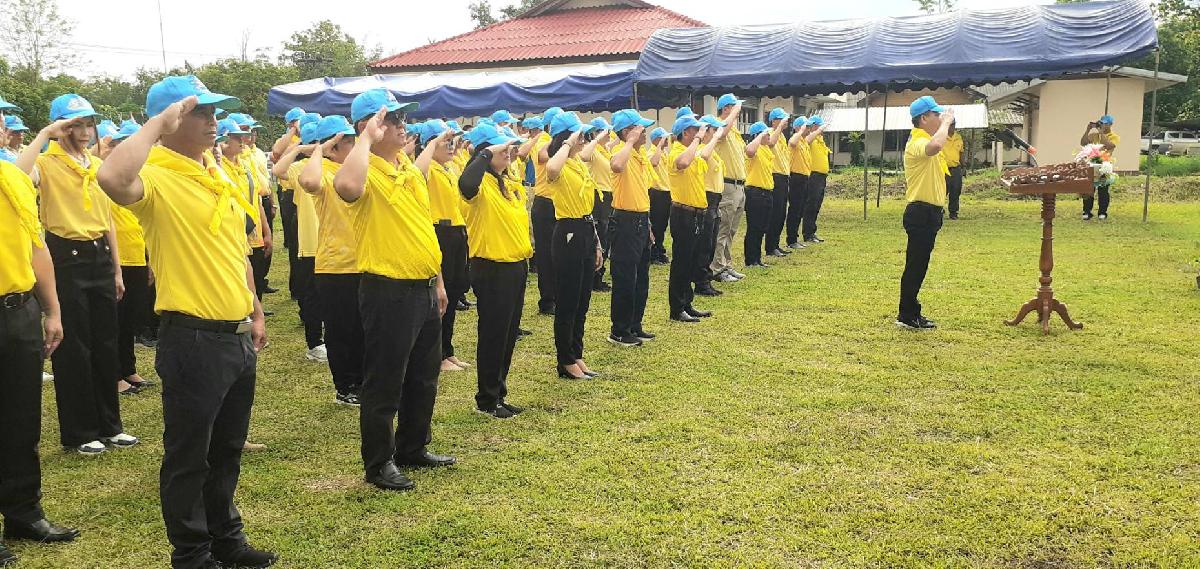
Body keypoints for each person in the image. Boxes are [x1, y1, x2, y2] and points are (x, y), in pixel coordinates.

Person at [96, 75, 276, 569]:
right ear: (171, 120)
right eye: (200, 112)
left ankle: (226, 539)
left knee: (227, 448)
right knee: (189, 455)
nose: (213, 121)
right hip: (193, 336)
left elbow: (234, 249)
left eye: (214, 111)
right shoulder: (156, 175)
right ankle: (193, 554)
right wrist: (157, 123)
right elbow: (111, 179)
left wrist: (255, 308)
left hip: (234, 332)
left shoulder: (212, 172)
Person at [332, 89, 455, 492]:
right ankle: (379, 461)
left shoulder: (406, 169)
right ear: (370, 125)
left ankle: (413, 446)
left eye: (402, 118)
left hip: (423, 286)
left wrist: (438, 281)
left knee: (423, 375)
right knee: (385, 381)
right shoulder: (364, 168)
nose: (403, 126)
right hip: (388, 290)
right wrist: (365, 139)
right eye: (393, 119)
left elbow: (422, 228)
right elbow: (345, 187)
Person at [14, 93, 138, 455]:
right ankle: (80, 431)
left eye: (88, 124)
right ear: (61, 128)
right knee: (74, 346)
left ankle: (110, 425)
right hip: (65, 256)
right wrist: (44, 134)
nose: (84, 132)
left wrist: (116, 268)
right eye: (75, 125)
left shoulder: (95, 164)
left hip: (99, 255)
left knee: (105, 342)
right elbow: (16, 175)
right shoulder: (46, 163)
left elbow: (107, 218)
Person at [0, 99, 79, 568]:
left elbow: (36, 246)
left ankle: (24, 512)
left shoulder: (11, 177)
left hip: (17, 310)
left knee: (21, 419)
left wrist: (52, 309)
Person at [458, 123, 533, 417]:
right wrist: (487, 154)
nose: (509, 153)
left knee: (508, 333)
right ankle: (487, 399)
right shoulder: (478, 184)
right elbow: (466, 184)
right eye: (503, 149)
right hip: (492, 267)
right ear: (485, 153)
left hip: (515, 265)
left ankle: (499, 392)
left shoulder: (505, 180)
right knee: (493, 334)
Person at [295, 115, 365, 406]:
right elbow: (308, 181)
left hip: (365, 261)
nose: (354, 147)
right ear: (333, 148)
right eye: (347, 143)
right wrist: (321, 149)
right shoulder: (324, 172)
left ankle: (362, 381)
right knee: (341, 331)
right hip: (336, 265)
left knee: (363, 329)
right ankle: (345, 387)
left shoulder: (357, 172)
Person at [545, 112, 603, 380]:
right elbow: (551, 169)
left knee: (582, 300)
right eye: (580, 135)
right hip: (568, 232)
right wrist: (568, 141)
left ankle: (576, 354)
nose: (583, 139)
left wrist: (596, 242)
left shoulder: (577, 162)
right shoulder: (559, 164)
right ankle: (565, 360)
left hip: (585, 228)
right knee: (568, 300)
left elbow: (586, 206)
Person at [415, 120, 472, 373]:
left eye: (452, 142)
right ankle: (436, 354)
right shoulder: (426, 168)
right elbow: (418, 172)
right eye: (445, 142)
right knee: (441, 295)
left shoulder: (448, 168)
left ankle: (447, 350)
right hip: (440, 231)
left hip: (456, 231)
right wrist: (431, 145)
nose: (451, 146)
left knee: (454, 290)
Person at [273, 113, 327, 362]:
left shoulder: (338, 167)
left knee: (334, 296)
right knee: (313, 296)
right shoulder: (300, 168)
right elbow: (278, 169)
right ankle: (315, 342)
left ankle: (331, 338)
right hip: (311, 242)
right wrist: (299, 149)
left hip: (335, 243)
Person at [897, 96, 954, 330]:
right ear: (924, 118)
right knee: (916, 266)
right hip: (921, 212)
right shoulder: (918, 142)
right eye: (936, 115)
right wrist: (946, 122)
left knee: (919, 265)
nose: (940, 118)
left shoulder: (926, 139)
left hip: (929, 212)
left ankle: (909, 312)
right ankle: (907, 314)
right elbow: (936, 147)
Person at [108, 120, 155, 396]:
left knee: (130, 319)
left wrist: (148, 260)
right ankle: (114, 374)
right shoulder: (108, 177)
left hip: (137, 254)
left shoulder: (142, 178)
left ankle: (128, 368)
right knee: (115, 320)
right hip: (118, 258)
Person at [606, 109, 656, 348]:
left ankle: (635, 324)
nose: (644, 132)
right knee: (625, 277)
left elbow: (642, 192)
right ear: (627, 131)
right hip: (624, 221)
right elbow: (616, 166)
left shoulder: (639, 154)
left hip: (640, 219)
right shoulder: (620, 151)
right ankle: (619, 330)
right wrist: (629, 141)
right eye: (639, 129)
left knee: (641, 277)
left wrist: (648, 224)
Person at [667, 114, 722, 323]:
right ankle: (677, 307)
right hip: (683, 213)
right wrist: (699, 139)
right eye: (695, 130)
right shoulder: (676, 152)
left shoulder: (693, 152)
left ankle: (687, 303)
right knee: (681, 262)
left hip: (697, 213)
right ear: (685, 132)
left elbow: (703, 156)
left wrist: (713, 137)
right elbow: (683, 162)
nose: (700, 133)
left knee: (691, 261)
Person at [529, 106, 563, 315]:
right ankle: (547, 299)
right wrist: (557, 138)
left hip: (559, 203)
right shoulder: (543, 141)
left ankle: (557, 294)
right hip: (545, 203)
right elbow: (542, 157)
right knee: (546, 254)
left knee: (558, 253)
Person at [710, 94, 747, 283]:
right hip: (727, 185)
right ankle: (717, 268)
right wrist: (733, 113)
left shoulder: (734, 131)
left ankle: (726, 264)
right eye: (735, 107)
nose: (739, 111)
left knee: (731, 229)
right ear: (726, 108)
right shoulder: (718, 126)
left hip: (739, 185)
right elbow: (721, 133)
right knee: (723, 228)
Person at [742, 121, 778, 268]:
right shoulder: (754, 148)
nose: (769, 135)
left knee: (762, 227)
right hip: (755, 193)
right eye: (766, 134)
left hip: (766, 192)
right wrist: (759, 135)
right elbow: (749, 150)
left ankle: (757, 258)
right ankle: (751, 259)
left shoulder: (765, 149)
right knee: (754, 227)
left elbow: (773, 141)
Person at [588, 117, 615, 293]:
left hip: (608, 194)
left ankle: (600, 273)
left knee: (606, 235)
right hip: (598, 196)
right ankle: (595, 277)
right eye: (605, 131)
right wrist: (596, 137)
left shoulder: (604, 150)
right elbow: (585, 155)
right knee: (600, 234)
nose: (608, 134)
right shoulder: (593, 150)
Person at [764, 107, 792, 258]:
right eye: (781, 119)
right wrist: (779, 127)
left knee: (782, 213)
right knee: (775, 213)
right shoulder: (770, 132)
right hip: (775, 176)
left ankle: (775, 244)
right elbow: (770, 143)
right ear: (774, 121)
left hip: (784, 176)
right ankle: (770, 246)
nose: (785, 122)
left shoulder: (782, 136)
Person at [1081, 114, 1118, 220]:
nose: (1102, 125)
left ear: (1110, 124)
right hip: (1091, 163)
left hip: (1104, 165)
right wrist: (1088, 130)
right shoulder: (1094, 136)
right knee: (1088, 189)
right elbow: (1083, 143)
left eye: (1105, 124)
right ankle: (1087, 211)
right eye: (1101, 123)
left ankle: (1102, 212)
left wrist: (1101, 133)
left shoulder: (1114, 136)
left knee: (1103, 189)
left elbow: (1109, 145)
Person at [804, 116, 831, 243]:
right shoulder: (810, 138)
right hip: (813, 176)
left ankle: (812, 231)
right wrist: (817, 131)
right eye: (820, 126)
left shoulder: (820, 140)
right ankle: (807, 233)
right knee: (811, 204)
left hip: (821, 177)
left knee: (817, 205)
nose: (822, 130)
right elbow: (807, 141)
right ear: (814, 126)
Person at [786, 116, 811, 249]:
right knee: (795, 209)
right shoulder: (795, 139)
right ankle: (791, 239)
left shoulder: (804, 142)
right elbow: (792, 142)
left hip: (804, 178)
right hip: (796, 177)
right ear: (798, 127)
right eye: (806, 127)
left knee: (800, 209)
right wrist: (800, 131)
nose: (808, 129)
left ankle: (795, 237)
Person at [647, 127, 672, 265]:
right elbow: (653, 163)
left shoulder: (664, 153)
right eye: (664, 138)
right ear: (657, 140)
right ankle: (653, 253)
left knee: (662, 225)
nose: (667, 140)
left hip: (666, 192)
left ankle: (660, 249)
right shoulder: (652, 152)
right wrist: (658, 146)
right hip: (657, 192)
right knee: (656, 224)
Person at [942, 119, 964, 220]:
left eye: (953, 124)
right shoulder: (941, 137)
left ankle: (953, 212)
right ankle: (939, 209)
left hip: (956, 168)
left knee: (956, 190)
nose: (952, 127)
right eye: (950, 125)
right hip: (943, 168)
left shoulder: (958, 137)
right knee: (942, 190)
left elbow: (961, 152)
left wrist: (963, 166)